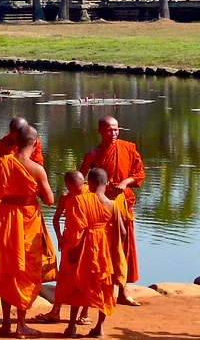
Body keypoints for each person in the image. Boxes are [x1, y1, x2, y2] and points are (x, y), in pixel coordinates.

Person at [0, 126, 56, 338]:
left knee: (7, 269)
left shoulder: (1, 163)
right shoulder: (37, 169)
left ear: (16, 141)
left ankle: (6, 323)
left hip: (5, 217)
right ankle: (20, 324)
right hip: (28, 218)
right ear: (35, 143)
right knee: (26, 271)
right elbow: (50, 200)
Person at [80, 116, 144, 306]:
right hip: (101, 207)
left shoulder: (128, 148)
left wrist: (125, 182)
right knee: (102, 248)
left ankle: (123, 292)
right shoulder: (93, 154)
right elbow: (81, 178)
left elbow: (139, 173)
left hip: (122, 204)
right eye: (109, 130)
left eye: (116, 129)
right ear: (100, 131)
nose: (114, 133)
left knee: (124, 246)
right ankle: (98, 292)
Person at [60, 168, 125, 339]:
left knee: (78, 283)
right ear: (107, 183)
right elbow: (123, 233)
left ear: (90, 182)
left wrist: (72, 248)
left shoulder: (80, 200)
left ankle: (72, 327)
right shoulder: (113, 205)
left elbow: (75, 231)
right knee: (104, 286)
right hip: (104, 249)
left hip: (84, 247)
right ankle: (99, 328)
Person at [35, 170, 89, 325]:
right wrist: (59, 238)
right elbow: (56, 218)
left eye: (79, 188)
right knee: (64, 277)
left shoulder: (90, 195)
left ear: (84, 183)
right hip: (69, 241)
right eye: (74, 189)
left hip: (87, 244)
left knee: (85, 278)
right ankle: (55, 311)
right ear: (68, 187)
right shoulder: (66, 198)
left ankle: (84, 313)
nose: (77, 192)